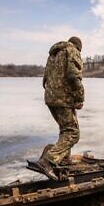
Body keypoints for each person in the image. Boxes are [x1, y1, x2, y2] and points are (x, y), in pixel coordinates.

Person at [37, 36, 84, 179]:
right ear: (78, 47)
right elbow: (73, 75)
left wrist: (52, 93)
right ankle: (48, 161)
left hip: (50, 97)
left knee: (65, 129)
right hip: (63, 98)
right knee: (73, 133)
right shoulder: (72, 50)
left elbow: (45, 79)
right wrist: (79, 97)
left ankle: (63, 159)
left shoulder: (53, 54)